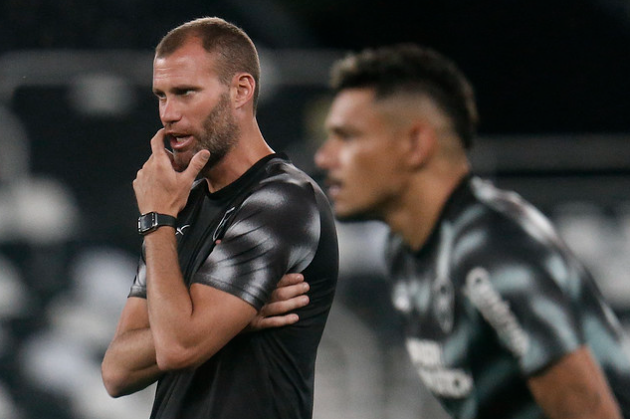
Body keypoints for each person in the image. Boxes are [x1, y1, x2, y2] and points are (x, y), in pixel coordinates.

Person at [314, 43, 630, 418]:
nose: (324, 157)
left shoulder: (494, 252)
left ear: (416, 144)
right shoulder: (406, 248)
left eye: (347, 137)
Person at [100, 17, 338, 419]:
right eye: (161, 95)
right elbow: (116, 370)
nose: (168, 113)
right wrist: (230, 322)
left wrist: (157, 220)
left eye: (185, 92)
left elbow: (179, 348)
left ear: (240, 90)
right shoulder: (180, 207)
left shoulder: (281, 200)